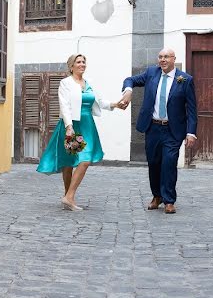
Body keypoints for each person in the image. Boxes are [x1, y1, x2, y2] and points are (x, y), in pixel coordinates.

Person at [37, 53, 127, 211]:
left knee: (84, 160)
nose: (82, 64)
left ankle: (69, 196)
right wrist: (68, 126)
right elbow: (64, 105)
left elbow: (98, 101)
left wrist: (115, 105)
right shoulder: (66, 83)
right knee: (68, 162)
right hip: (72, 124)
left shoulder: (89, 82)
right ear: (71, 66)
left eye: (84, 62)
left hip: (87, 125)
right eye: (78, 62)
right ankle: (68, 197)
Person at [119, 47, 197, 214]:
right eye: (160, 57)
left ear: (173, 59)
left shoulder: (185, 79)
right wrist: (128, 91)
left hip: (172, 130)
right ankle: (157, 196)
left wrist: (191, 132)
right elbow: (129, 79)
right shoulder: (151, 73)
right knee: (154, 163)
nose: (162, 60)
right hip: (153, 127)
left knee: (169, 163)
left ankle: (169, 200)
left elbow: (191, 109)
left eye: (166, 57)